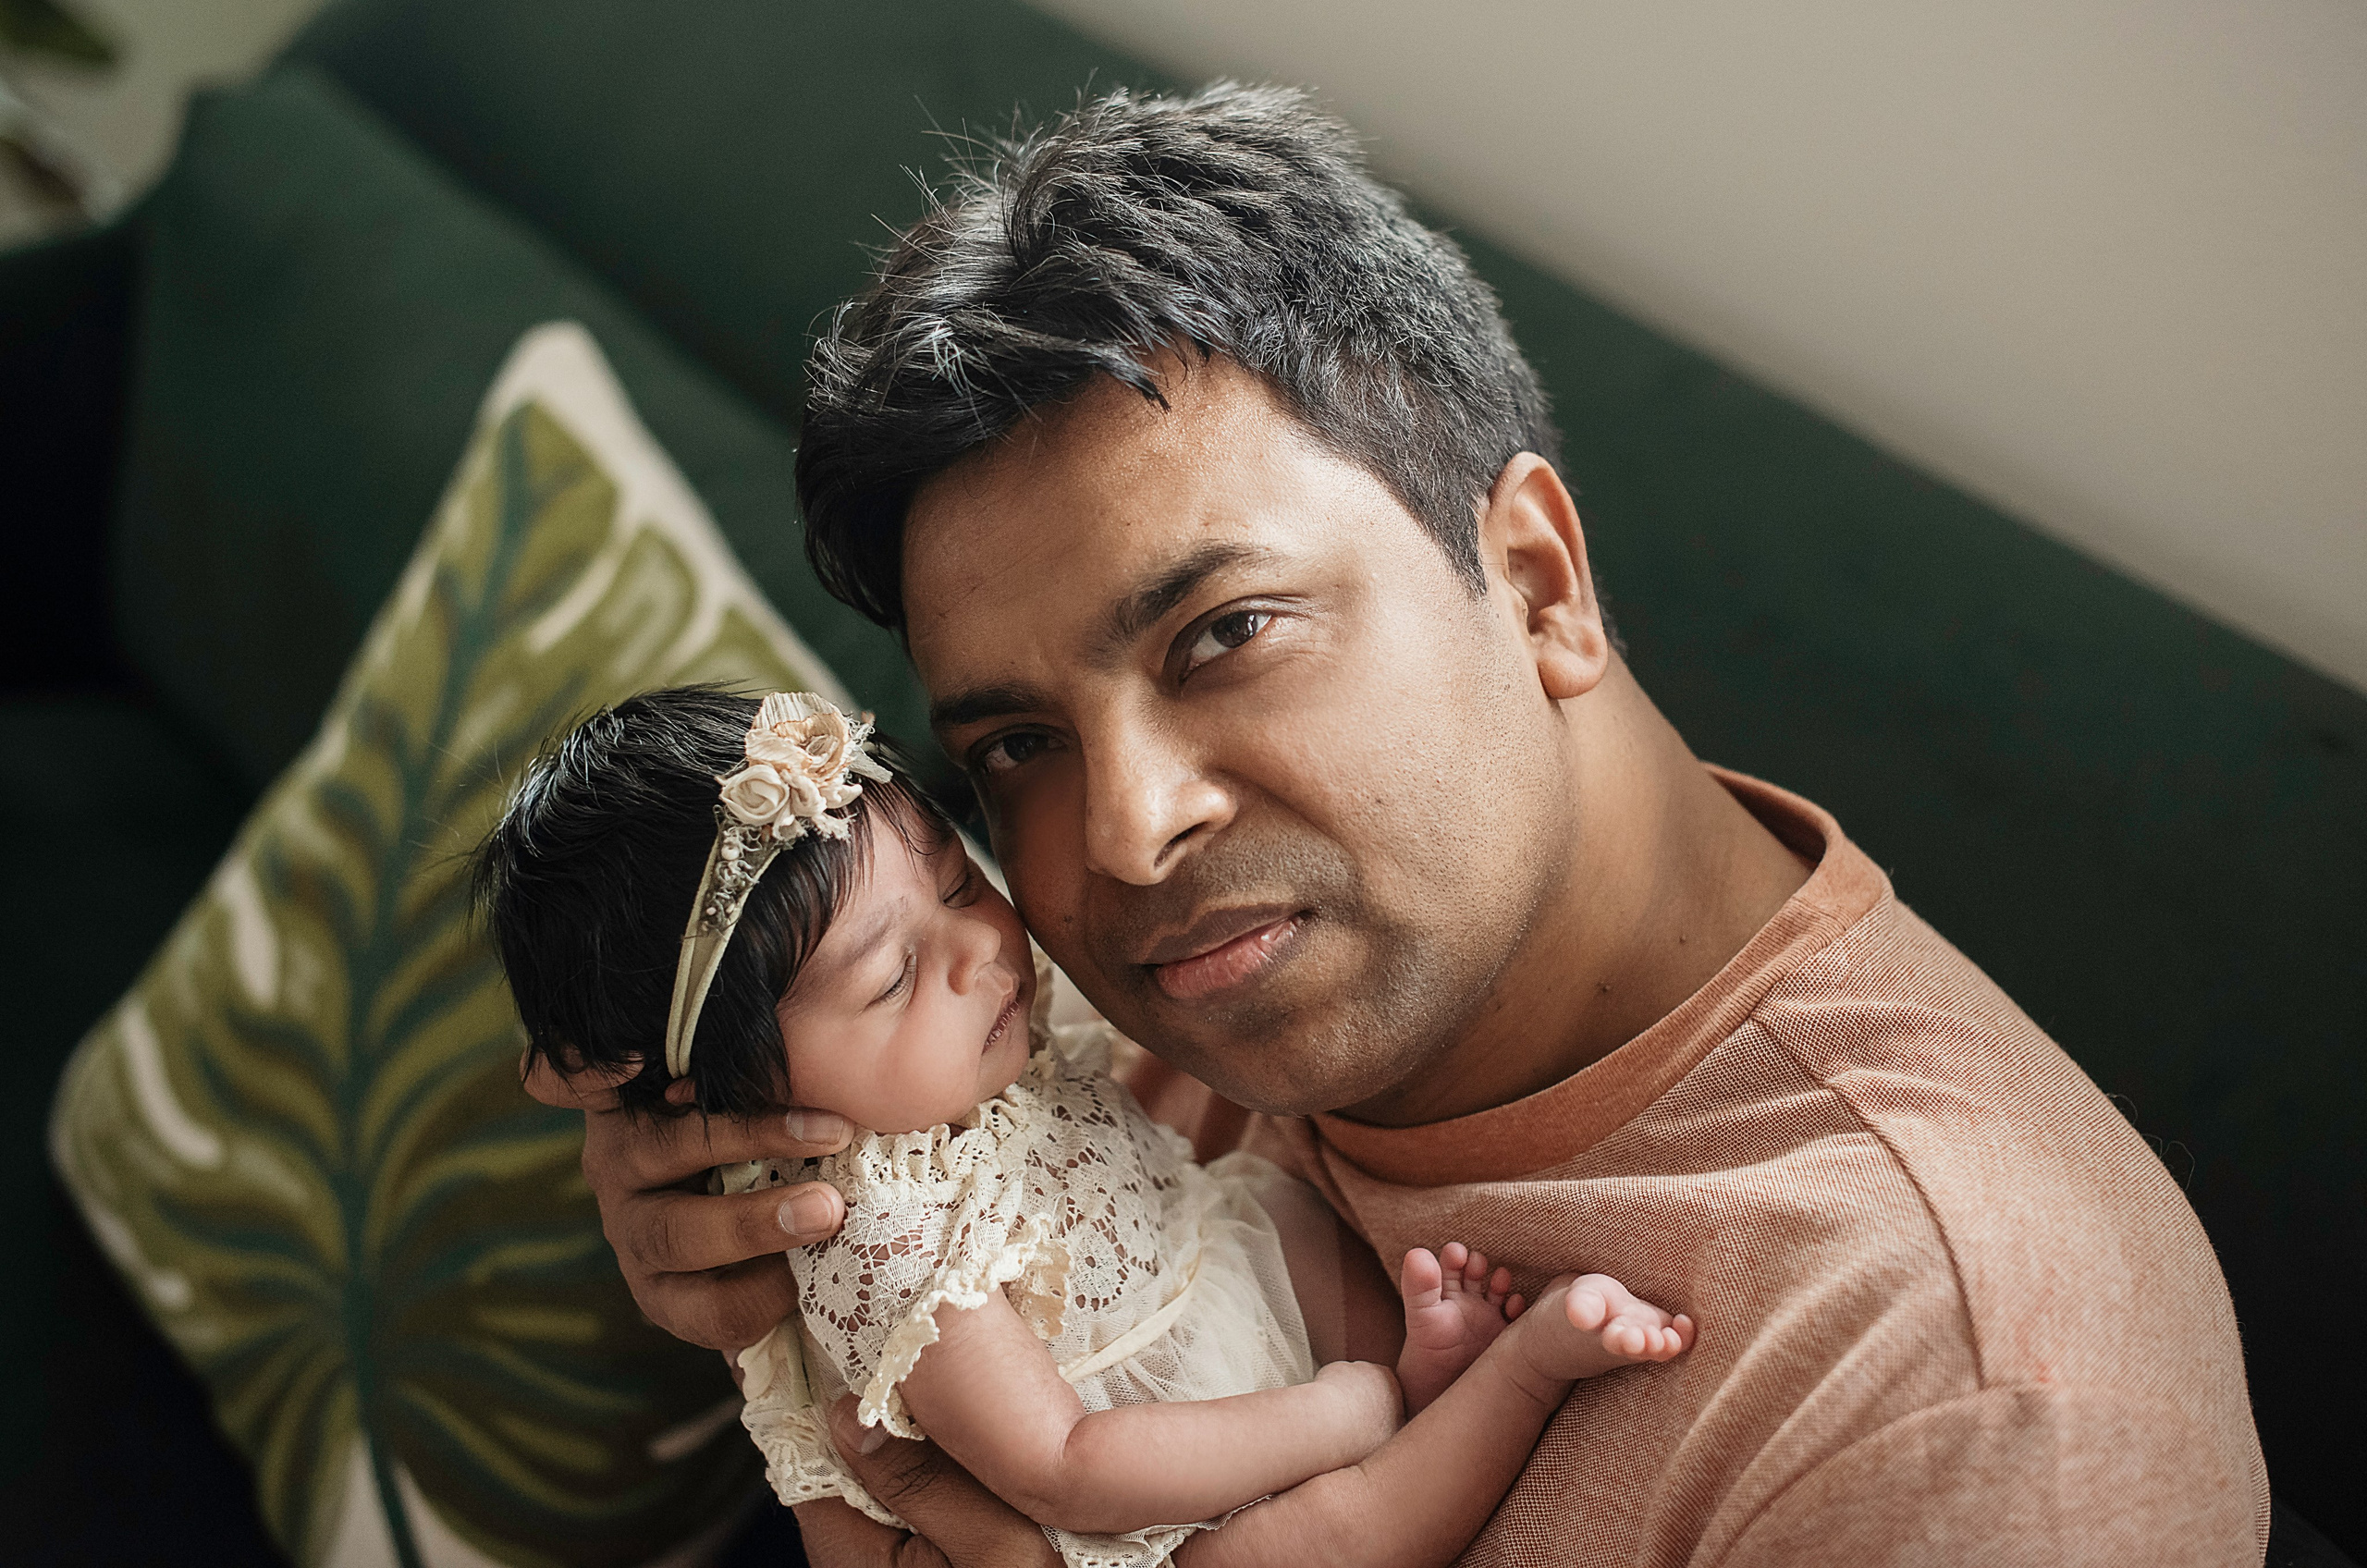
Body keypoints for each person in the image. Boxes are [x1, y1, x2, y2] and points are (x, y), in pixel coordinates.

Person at [524, 84, 2269, 1565]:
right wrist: (740, 1235)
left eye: (1224, 635)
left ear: (1537, 580)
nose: (1121, 839)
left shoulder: (1965, 1422)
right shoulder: (1098, 1001)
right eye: (1018, 744)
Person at [479, 686, 1693, 1568]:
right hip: (1145, 1497)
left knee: (1281, 1211)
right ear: (714, 1089)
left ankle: (1416, 1380)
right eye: (894, 977)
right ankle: (1512, 1378)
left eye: (960, 884)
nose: (978, 950)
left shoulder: (965, 1065)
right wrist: (1342, 1408)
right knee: (1310, 1545)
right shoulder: (882, 1230)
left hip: (1214, 1317)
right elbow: (1058, 1464)